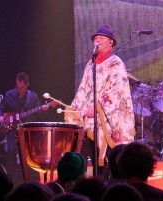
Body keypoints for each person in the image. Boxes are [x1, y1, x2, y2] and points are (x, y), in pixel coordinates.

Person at [65, 24, 135, 176]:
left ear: (111, 42)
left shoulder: (116, 63)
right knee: (92, 156)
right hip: (91, 122)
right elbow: (83, 88)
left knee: (110, 160)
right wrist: (75, 108)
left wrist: (97, 107)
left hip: (109, 120)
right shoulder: (90, 64)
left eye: (101, 38)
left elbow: (117, 91)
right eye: (96, 38)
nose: (97, 40)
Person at [0, 72, 49, 183]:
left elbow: (41, 116)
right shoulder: (9, 94)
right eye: (18, 87)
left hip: (26, 130)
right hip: (11, 129)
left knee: (27, 155)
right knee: (10, 152)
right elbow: (0, 108)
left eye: (22, 88)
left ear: (27, 84)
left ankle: (28, 181)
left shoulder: (32, 96)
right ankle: (10, 181)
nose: (19, 90)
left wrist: (43, 109)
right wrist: (0, 116)